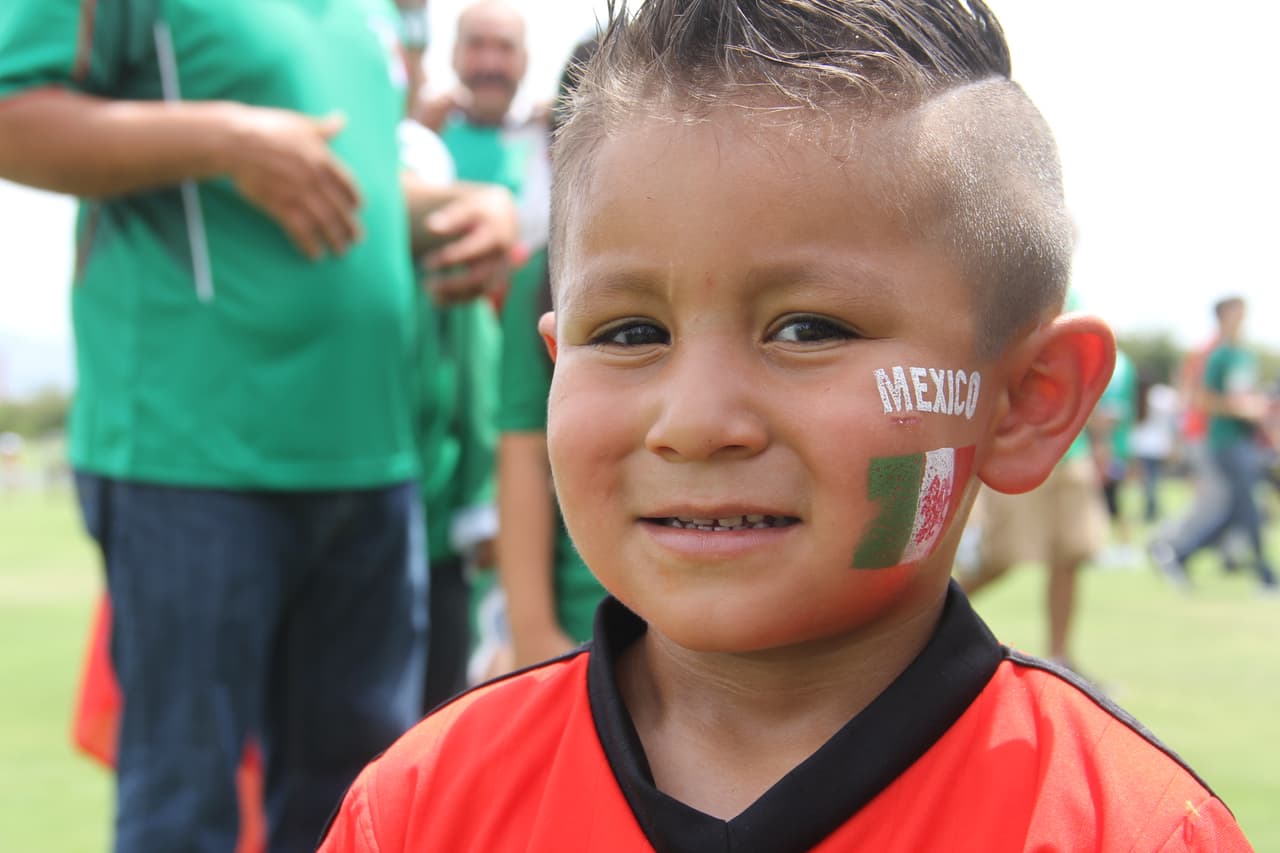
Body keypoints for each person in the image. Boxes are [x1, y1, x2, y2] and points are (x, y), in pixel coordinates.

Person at [320, 1, 1252, 850]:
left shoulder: (1125, 828)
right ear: (558, 363)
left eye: (809, 330)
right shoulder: (421, 810)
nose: (694, 423)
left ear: (1025, 401)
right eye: (632, 332)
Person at [0, 2, 517, 850]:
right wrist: (224, 140)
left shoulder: (365, 19)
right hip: (192, 454)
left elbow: (347, 189)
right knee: (185, 808)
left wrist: (465, 211)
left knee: (356, 808)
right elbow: (11, 110)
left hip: (368, 456)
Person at [959, 292, 1111, 673]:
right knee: (1001, 558)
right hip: (1024, 451)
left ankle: (1060, 655)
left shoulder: (1075, 299)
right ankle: (916, 638)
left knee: (1070, 558)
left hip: (1072, 457)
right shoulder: (1017, 293)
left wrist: (1099, 448)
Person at [1152, 296, 1278, 592]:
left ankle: (1180, 554)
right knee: (1240, 505)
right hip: (1223, 439)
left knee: (1238, 507)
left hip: (1246, 439)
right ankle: (1264, 574)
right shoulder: (1215, 354)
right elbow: (1202, 399)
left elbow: (1245, 393)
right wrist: (1240, 409)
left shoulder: (1245, 354)